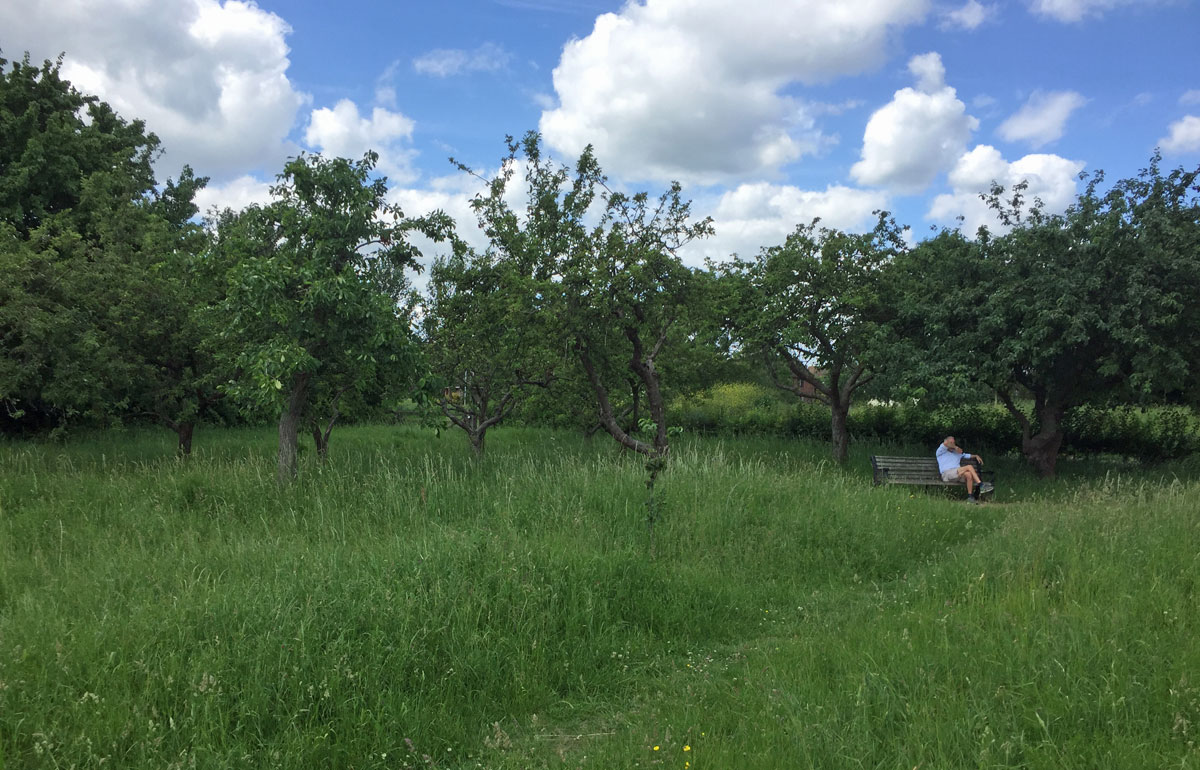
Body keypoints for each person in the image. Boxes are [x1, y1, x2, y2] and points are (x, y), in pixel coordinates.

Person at [936, 436, 993, 503]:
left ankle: (970, 497)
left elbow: (968, 455)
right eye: (951, 442)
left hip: (957, 474)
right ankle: (981, 485)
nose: (953, 443)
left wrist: (976, 456)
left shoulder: (957, 453)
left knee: (968, 474)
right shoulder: (941, 451)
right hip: (946, 474)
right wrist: (956, 447)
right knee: (969, 467)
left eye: (954, 442)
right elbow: (946, 443)